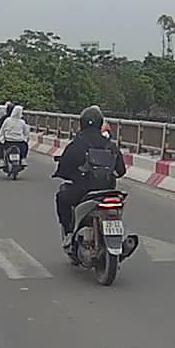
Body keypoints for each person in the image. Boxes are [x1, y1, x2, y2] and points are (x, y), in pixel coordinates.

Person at [53, 105, 126, 247]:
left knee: (62, 197)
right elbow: (121, 171)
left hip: (83, 192)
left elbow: (65, 168)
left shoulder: (77, 144)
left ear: (82, 123)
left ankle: (69, 232)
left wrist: (63, 173)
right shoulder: (110, 145)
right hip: (108, 191)